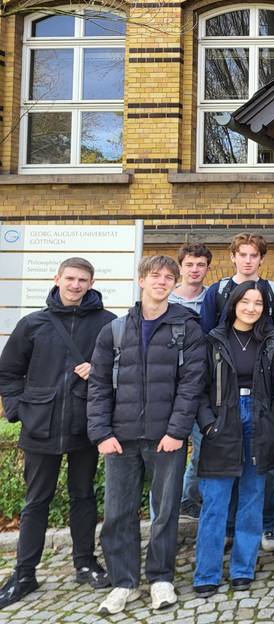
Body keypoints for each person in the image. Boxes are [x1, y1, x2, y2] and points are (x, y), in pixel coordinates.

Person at [87, 255, 206, 614]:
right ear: (141, 280)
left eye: (169, 277)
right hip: (120, 438)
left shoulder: (187, 329)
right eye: (155, 276)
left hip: (166, 438)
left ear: (175, 283)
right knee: (117, 513)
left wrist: (177, 431)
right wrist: (101, 433)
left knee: (165, 513)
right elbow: (98, 385)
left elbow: (192, 384)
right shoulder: (114, 330)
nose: (162, 282)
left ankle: (160, 579)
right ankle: (123, 582)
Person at [0, 258, 116, 609]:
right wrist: (20, 410)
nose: (76, 285)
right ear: (57, 278)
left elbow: (122, 369)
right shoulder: (33, 324)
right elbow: (8, 372)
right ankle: (24, 574)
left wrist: (98, 371)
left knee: (83, 496)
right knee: (36, 501)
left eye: (83, 280)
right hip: (41, 426)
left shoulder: (107, 324)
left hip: (85, 424)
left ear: (92, 283)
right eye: (70, 278)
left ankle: (85, 563)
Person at [199, 233, 274, 552]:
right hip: (223, 398)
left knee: (262, 469)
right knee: (223, 467)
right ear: (233, 256)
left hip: (260, 396)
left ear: (262, 259)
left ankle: (268, 524)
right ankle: (228, 527)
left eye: (254, 255)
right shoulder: (218, 291)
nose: (248, 260)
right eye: (243, 254)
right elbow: (207, 339)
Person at [193, 282, 274, 597]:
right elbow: (199, 386)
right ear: (233, 304)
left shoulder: (271, 340)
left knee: (252, 498)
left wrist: (273, 420)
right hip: (222, 420)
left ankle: (243, 569)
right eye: (245, 301)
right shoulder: (213, 340)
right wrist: (208, 423)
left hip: (258, 419)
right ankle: (206, 573)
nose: (251, 308)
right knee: (215, 501)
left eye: (258, 303)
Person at [169, 241, 213, 521]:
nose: (195, 269)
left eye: (200, 265)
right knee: (168, 456)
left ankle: (188, 498)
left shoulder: (213, 299)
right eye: (189, 264)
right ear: (181, 267)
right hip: (169, 387)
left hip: (202, 387)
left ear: (207, 268)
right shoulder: (166, 299)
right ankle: (165, 513)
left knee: (203, 450)